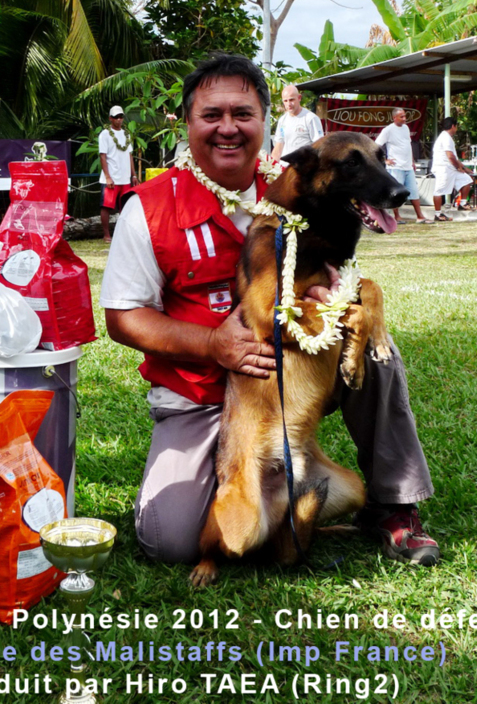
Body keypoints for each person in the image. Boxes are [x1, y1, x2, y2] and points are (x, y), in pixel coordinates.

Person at [100, 53, 439, 568]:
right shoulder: (148, 207)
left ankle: (394, 506)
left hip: (297, 379)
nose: (228, 128)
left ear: (266, 120)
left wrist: (336, 297)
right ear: (188, 122)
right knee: (168, 541)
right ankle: (257, 498)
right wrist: (212, 343)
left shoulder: (301, 184)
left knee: (375, 343)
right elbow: (122, 318)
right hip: (198, 396)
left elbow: (335, 271)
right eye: (212, 115)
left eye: (243, 113)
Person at [375, 108, 432, 224]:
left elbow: (408, 145)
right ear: (394, 118)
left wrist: (412, 161)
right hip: (396, 167)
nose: (404, 119)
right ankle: (397, 216)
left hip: (408, 166)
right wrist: (385, 160)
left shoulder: (406, 128)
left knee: (414, 191)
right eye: (401, 116)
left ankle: (420, 216)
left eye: (405, 116)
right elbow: (376, 145)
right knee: (396, 193)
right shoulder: (388, 130)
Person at [98, 105, 138, 243]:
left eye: (121, 117)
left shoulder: (126, 134)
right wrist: (108, 176)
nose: (119, 120)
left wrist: (133, 175)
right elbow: (102, 156)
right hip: (111, 178)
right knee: (107, 206)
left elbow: (130, 155)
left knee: (126, 206)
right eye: (116, 117)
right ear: (110, 118)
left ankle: (124, 233)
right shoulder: (105, 134)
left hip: (125, 177)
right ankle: (106, 234)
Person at [431, 117, 473, 221]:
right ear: (453, 126)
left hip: (451, 168)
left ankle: (463, 203)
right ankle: (437, 214)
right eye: (456, 126)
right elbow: (450, 156)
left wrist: (464, 168)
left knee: (466, 180)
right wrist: (458, 167)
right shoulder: (445, 137)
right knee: (439, 190)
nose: (456, 129)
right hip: (443, 168)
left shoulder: (448, 138)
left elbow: (454, 157)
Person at [271, 84, 324, 163]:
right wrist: (271, 167)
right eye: (285, 101)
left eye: (291, 100)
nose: (289, 104)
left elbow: (319, 147)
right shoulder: (282, 120)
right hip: (284, 169)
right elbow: (278, 146)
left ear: (299, 98)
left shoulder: (310, 118)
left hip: (302, 169)